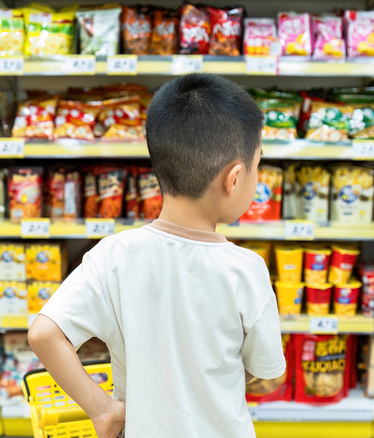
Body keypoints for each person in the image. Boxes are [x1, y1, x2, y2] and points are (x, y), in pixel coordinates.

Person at [27, 73, 285, 438]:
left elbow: (43, 334)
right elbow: (269, 373)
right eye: (258, 165)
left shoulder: (114, 254)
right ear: (234, 178)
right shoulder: (246, 270)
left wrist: (102, 410)